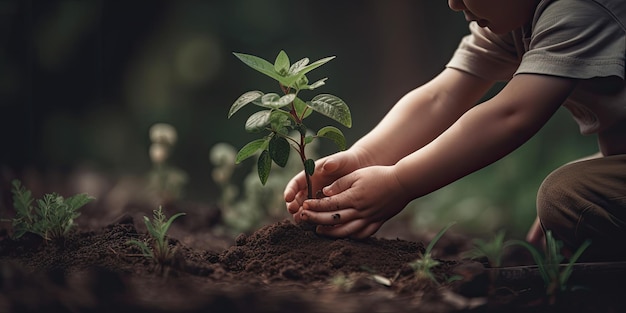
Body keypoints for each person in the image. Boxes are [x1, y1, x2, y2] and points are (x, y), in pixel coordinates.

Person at [284, 0, 626, 261]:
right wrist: (363, 158)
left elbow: (512, 114)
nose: (452, 3)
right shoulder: (519, 18)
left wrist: (400, 182)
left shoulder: (580, 10)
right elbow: (441, 96)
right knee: (571, 197)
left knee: (565, 196)